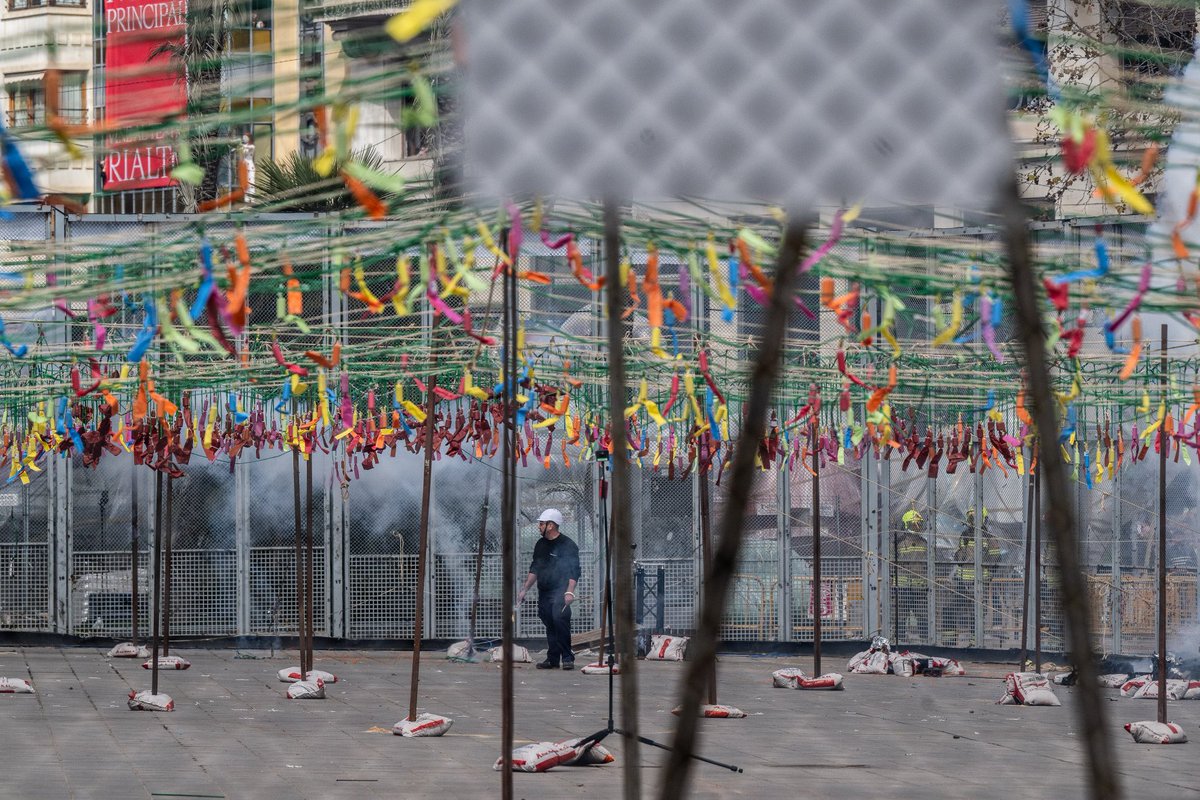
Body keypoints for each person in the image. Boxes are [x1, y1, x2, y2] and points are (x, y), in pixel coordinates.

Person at [517, 508, 581, 670]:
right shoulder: (541, 544)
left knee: (560, 621)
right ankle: (553, 658)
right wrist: (524, 589)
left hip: (560, 590)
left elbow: (574, 570)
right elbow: (535, 568)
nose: (539, 526)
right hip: (544, 591)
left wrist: (570, 591)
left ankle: (567, 657)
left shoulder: (568, 545)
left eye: (541, 524)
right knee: (549, 622)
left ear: (550, 525)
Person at [894, 508, 929, 642]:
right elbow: (891, 562)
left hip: (919, 586)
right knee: (901, 614)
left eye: (918, 524)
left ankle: (925, 641)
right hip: (902, 586)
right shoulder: (898, 543)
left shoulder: (924, 543)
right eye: (913, 524)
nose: (916, 527)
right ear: (905, 525)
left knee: (922, 614)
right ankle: (899, 641)